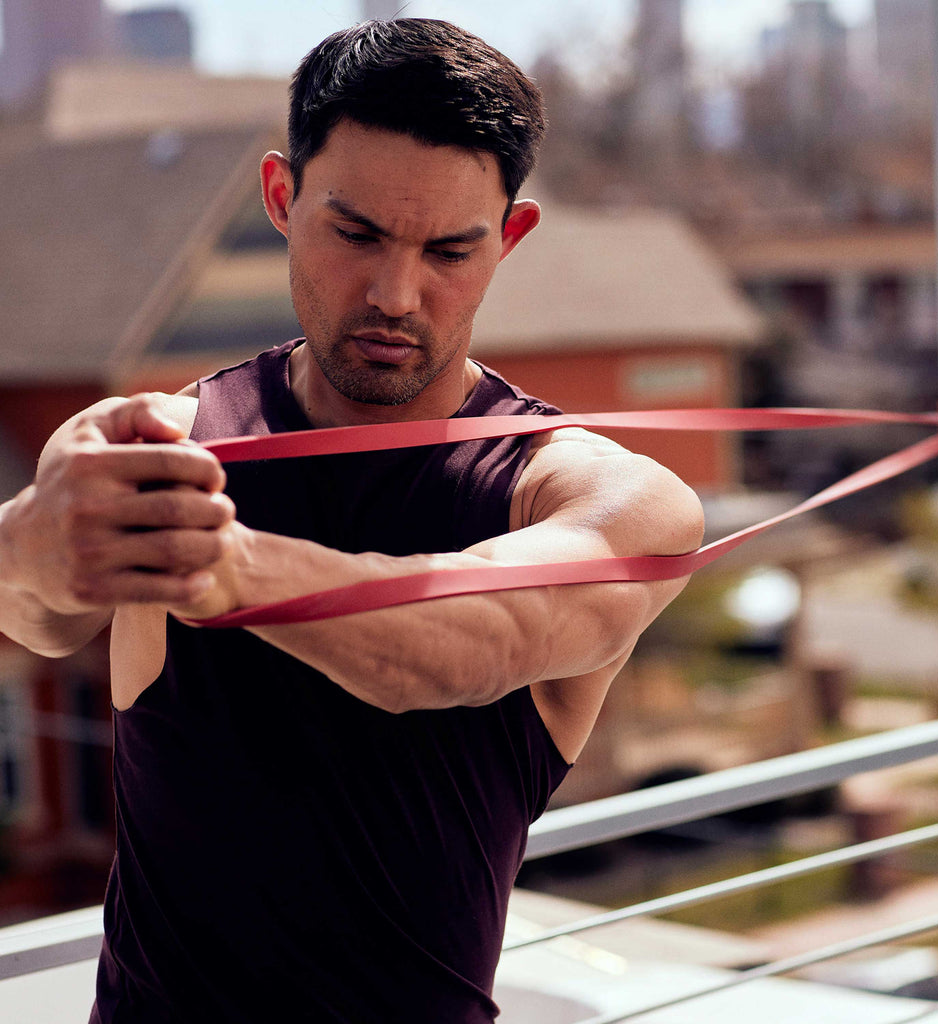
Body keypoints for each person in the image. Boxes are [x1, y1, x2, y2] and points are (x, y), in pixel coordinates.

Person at [0, 18, 703, 1024]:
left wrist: (229, 569)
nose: (394, 294)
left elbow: (473, 641)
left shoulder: (597, 496)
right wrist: (35, 541)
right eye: (357, 234)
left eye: (449, 250)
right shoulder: (161, 442)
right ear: (281, 198)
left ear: (509, 238)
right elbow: (35, 614)